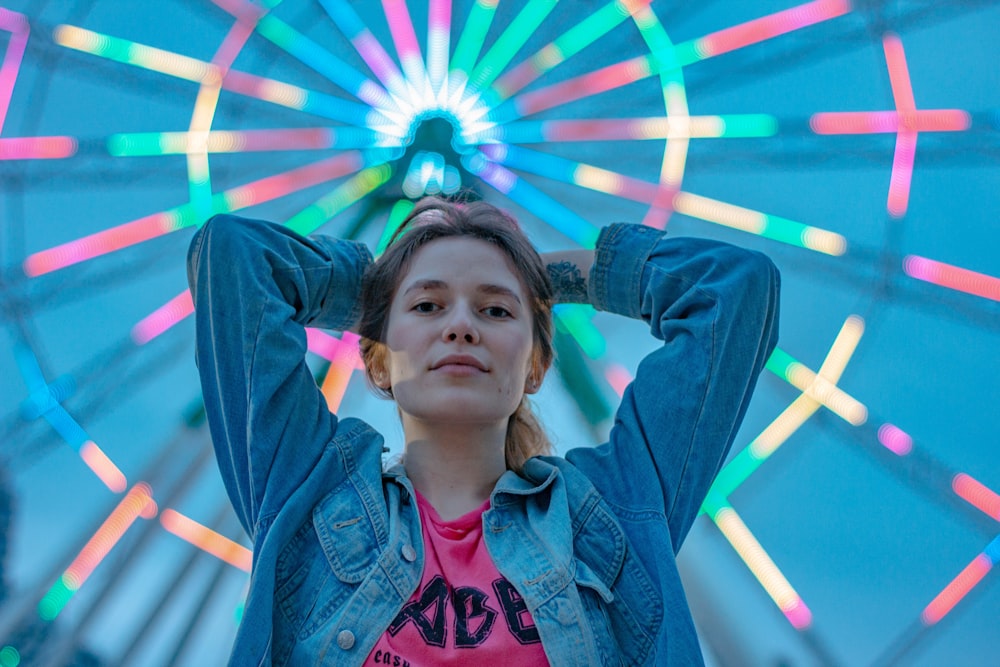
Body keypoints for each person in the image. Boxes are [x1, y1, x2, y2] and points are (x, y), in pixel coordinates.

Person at [187, 195, 779, 666]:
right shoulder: (307, 494)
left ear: (537, 364)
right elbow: (234, 257)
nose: (462, 326)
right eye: (427, 308)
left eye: (497, 310)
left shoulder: (614, 514)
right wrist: (383, 284)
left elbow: (735, 290)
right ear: (377, 358)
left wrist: (545, 277)